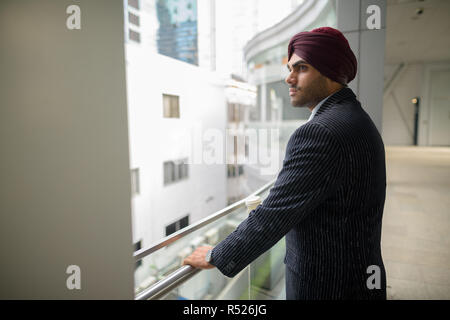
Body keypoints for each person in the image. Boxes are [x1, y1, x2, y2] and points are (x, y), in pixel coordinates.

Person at [183, 27, 387, 300]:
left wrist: (216, 255)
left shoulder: (321, 132)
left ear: (330, 70)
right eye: (290, 68)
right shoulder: (357, 118)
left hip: (330, 286)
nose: (289, 78)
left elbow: (275, 213)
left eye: (301, 68)